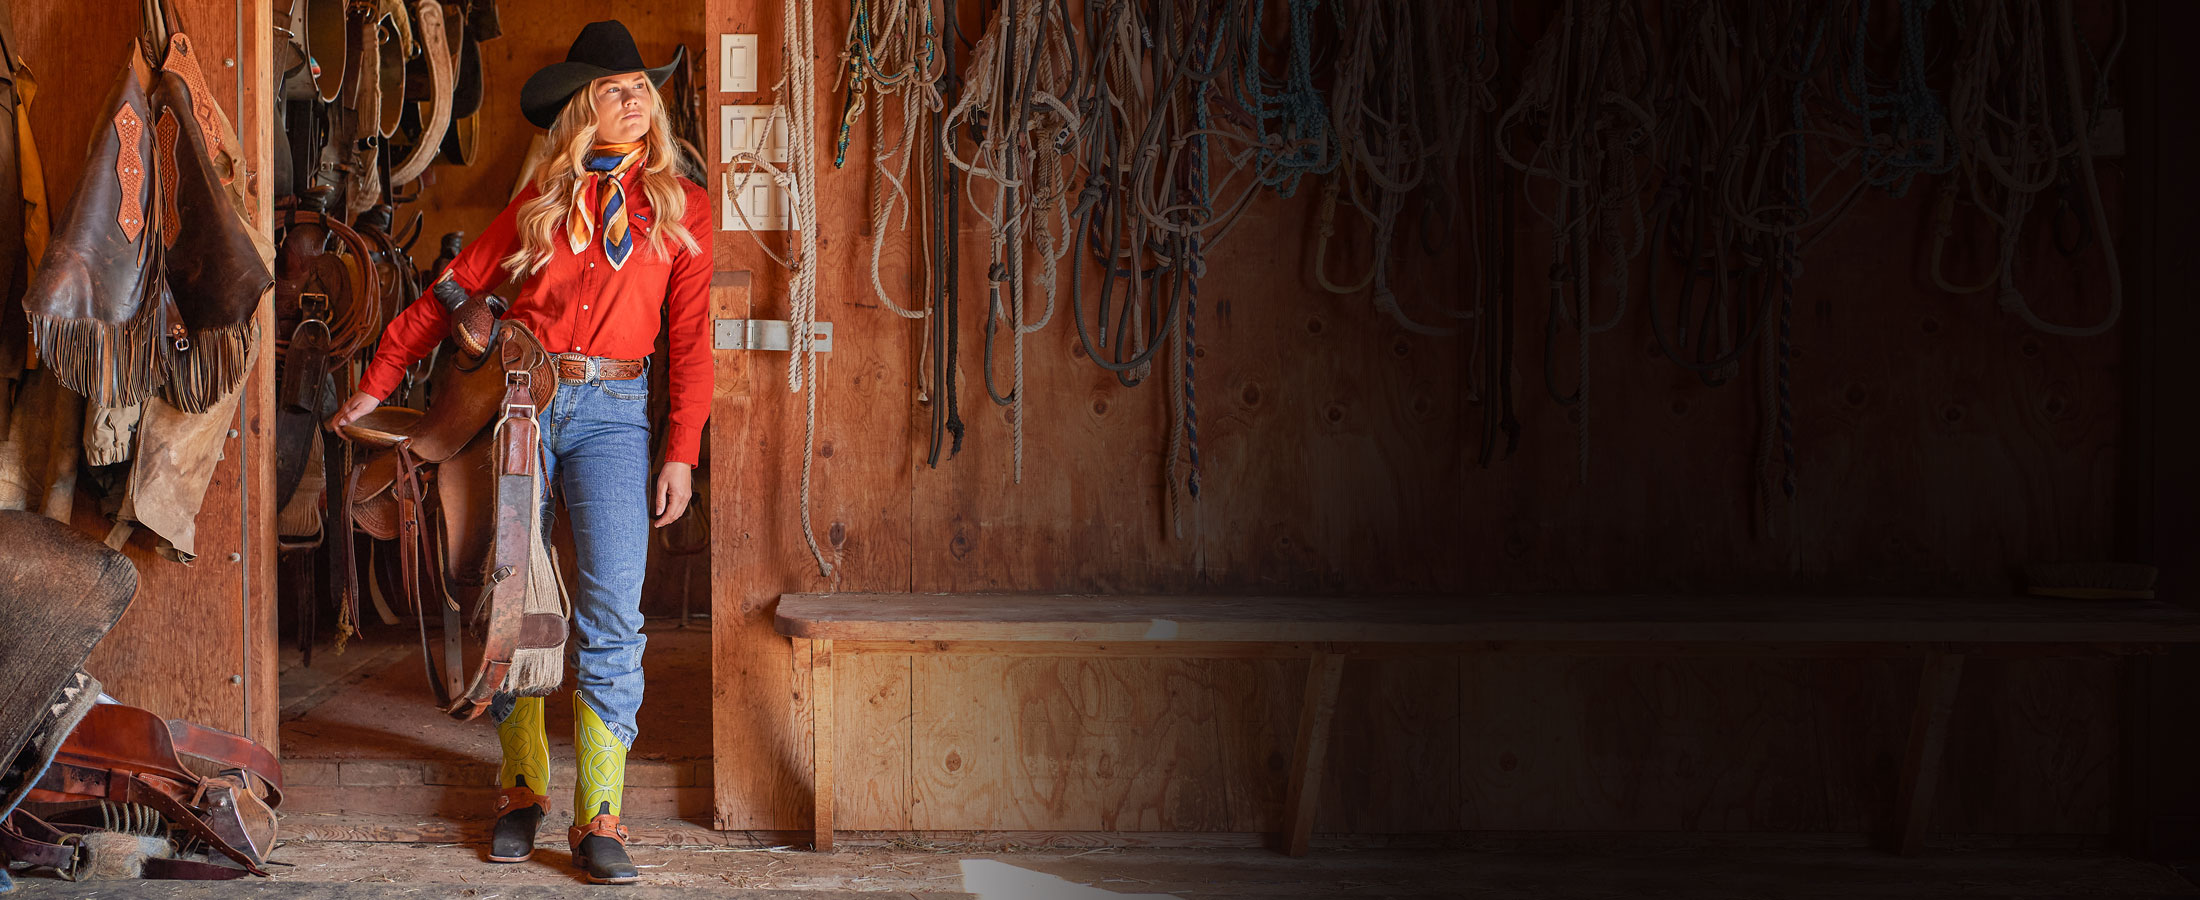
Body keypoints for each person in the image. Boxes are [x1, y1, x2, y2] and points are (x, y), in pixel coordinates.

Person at [326, 20, 711, 885]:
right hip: (522, 405)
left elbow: (689, 343)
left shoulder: (684, 212)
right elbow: (451, 293)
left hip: (616, 412)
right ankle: (522, 786)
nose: (635, 98)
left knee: (614, 605)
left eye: (642, 86)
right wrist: (380, 382)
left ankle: (599, 812)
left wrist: (680, 448)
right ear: (583, 106)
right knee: (513, 598)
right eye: (616, 88)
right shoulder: (539, 202)